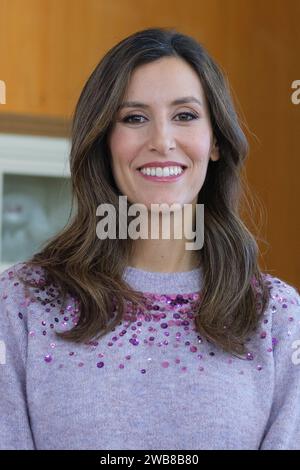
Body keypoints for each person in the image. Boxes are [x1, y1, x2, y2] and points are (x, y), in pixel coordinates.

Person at [0, 27, 299, 451]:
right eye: (134, 118)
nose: (162, 140)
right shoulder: (22, 304)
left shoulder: (276, 317)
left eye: (185, 116)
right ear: (105, 141)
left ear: (215, 141)